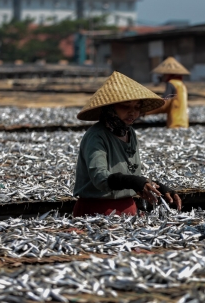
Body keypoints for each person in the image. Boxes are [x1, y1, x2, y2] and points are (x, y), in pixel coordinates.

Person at [73, 71, 182, 217]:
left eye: (137, 107)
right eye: (125, 107)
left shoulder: (129, 132)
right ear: (110, 107)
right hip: (98, 212)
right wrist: (134, 181)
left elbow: (131, 175)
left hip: (127, 211)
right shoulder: (96, 136)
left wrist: (156, 186)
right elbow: (100, 178)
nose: (133, 113)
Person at [146, 56, 190, 128]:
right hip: (183, 123)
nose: (162, 76)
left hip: (175, 124)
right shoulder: (181, 84)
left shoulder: (171, 84)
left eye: (164, 74)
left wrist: (146, 111)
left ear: (168, 74)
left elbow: (164, 103)